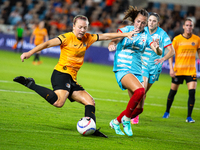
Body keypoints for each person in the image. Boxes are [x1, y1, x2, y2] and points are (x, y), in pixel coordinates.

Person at [13, 15, 135, 138]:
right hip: (61, 74)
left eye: (85, 27)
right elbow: (48, 43)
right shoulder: (67, 37)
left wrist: (125, 34)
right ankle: (30, 84)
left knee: (90, 102)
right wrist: (29, 52)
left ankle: (91, 128)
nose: (82, 30)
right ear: (73, 27)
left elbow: (106, 36)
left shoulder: (88, 38)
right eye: (80, 27)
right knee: (59, 102)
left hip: (72, 78)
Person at [108, 6, 162, 136]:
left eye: (143, 22)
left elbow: (157, 51)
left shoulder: (147, 36)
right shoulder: (125, 30)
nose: (140, 24)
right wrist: (113, 43)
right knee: (140, 91)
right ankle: (126, 120)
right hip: (123, 68)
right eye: (138, 21)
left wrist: (158, 48)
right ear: (134, 20)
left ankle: (116, 122)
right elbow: (116, 38)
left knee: (139, 109)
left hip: (137, 71)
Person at [130, 12, 175, 124]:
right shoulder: (143, 30)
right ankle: (135, 114)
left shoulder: (162, 34)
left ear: (158, 23)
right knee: (142, 89)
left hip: (155, 67)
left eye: (154, 21)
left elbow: (172, 51)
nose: (151, 23)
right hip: (142, 65)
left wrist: (163, 59)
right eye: (149, 20)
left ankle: (137, 110)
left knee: (144, 93)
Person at [162, 18, 200, 123]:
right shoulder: (177, 39)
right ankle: (167, 111)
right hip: (178, 71)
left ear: (193, 27)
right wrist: (171, 69)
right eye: (187, 25)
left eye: (191, 25)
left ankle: (189, 117)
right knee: (172, 92)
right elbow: (170, 54)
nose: (189, 27)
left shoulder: (197, 39)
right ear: (183, 26)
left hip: (191, 71)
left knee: (192, 93)